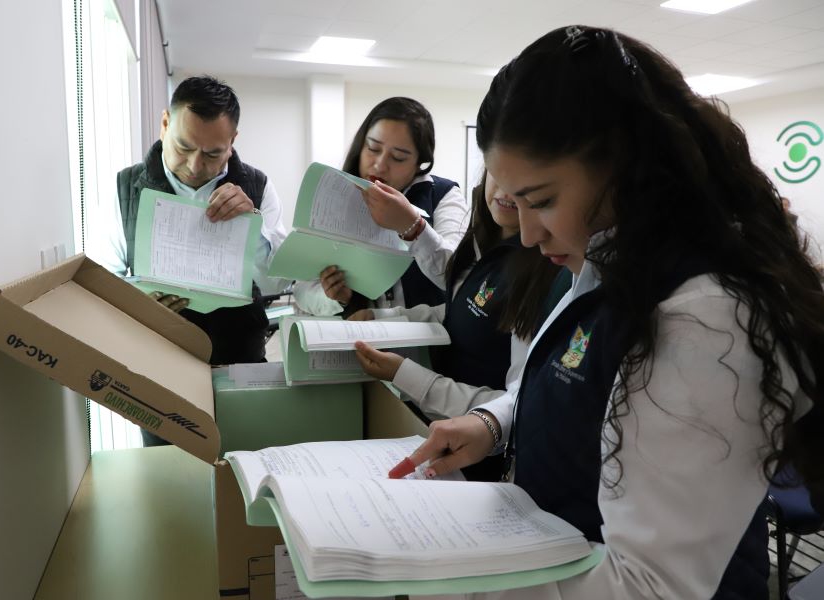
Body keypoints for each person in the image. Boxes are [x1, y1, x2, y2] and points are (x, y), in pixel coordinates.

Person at [397, 25, 824, 599]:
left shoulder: (705, 317)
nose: (526, 233)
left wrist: (456, 575)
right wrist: (497, 421)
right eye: (516, 202)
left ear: (626, 165)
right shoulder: (611, 258)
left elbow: (651, 586)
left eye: (543, 200)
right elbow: (582, 382)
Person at [97, 76, 289, 447]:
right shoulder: (123, 188)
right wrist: (138, 304)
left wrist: (254, 227)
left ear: (232, 143)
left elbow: (277, 283)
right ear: (165, 124)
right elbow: (104, 282)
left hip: (240, 361)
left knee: (246, 468)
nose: (195, 165)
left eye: (213, 153)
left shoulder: (259, 187)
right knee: (170, 481)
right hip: (157, 370)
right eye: (184, 147)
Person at [351, 171, 562, 423]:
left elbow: (514, 405)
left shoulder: (541, 272)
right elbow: (461, 310)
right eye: (499, 172)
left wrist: (404, 374)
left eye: (523, 182)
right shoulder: (486, 233)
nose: (506, 191)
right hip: (438, 421)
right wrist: (385, 318)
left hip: (476, 446)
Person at [293, 97, 468, 316]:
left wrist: (412, 226)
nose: (379, 165)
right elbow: (302, 289)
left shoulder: (443, 195)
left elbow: (458, 277)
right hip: (359, 341)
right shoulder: (335, 196)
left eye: (398, 157)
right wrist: (336, 298)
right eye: (373, 148)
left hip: (427, 343)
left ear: (419, 163)